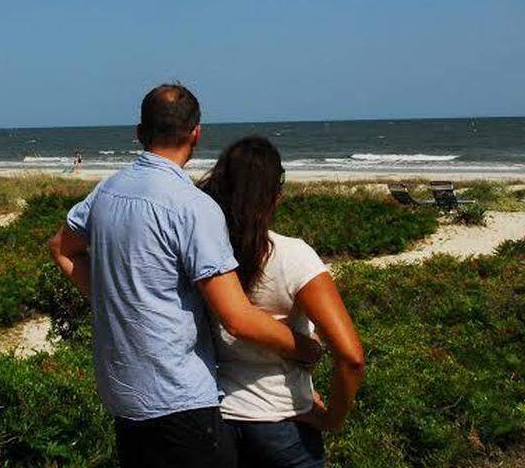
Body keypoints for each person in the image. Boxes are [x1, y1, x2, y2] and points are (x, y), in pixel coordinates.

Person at [47, 84, 322, 468]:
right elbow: (237, 317)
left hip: (123, 394)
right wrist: (307, 350)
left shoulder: (105, 192)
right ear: (196, 133)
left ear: (140, 132)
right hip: (180, 400)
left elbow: (62, 248)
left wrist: (113, 300)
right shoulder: (193, 207)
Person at [199, 136, 366, 468]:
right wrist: (333, 419)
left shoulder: (204, 253)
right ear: (275, 195)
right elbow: (351, 357)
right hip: (283, 423)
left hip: (220, 418)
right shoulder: (292, 256)